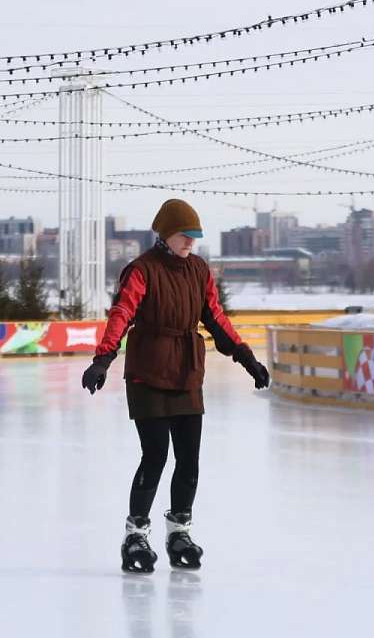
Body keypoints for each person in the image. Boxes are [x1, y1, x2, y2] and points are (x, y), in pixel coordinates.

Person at [82, 199, 270, 573]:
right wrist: (103, 359)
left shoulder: (198, 270)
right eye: (185, 235)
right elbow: (121, 314)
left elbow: (215, 318)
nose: (191, 242)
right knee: (155, 456)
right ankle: (135, 536)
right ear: (166, 234)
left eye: (195, 236)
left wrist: (246, 357)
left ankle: (179, 533)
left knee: (188, 460)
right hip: (148, 373)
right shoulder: (142, 270)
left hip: (186, 373)